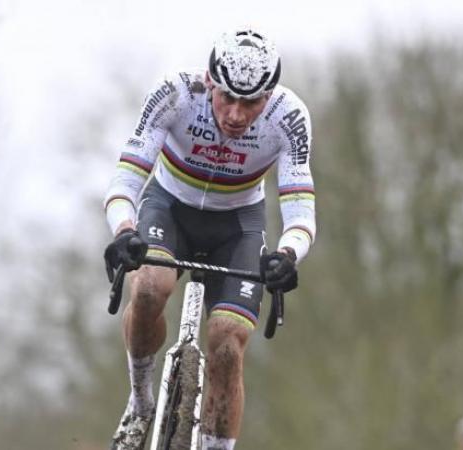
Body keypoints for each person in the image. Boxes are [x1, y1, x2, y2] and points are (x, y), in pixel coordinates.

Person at [102, 29, 316, 450]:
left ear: (269, 97)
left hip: (237, 223)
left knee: (227, 341)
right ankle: (141, 402)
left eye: (251, 102)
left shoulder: (288, 117)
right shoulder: (175, 94)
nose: (236, 115)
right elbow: (125, 180)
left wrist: (288, 254)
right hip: (169, 208)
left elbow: (301, 209)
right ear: (210, 82)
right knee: (148, 288)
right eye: (227, 98)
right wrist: (126, 231)